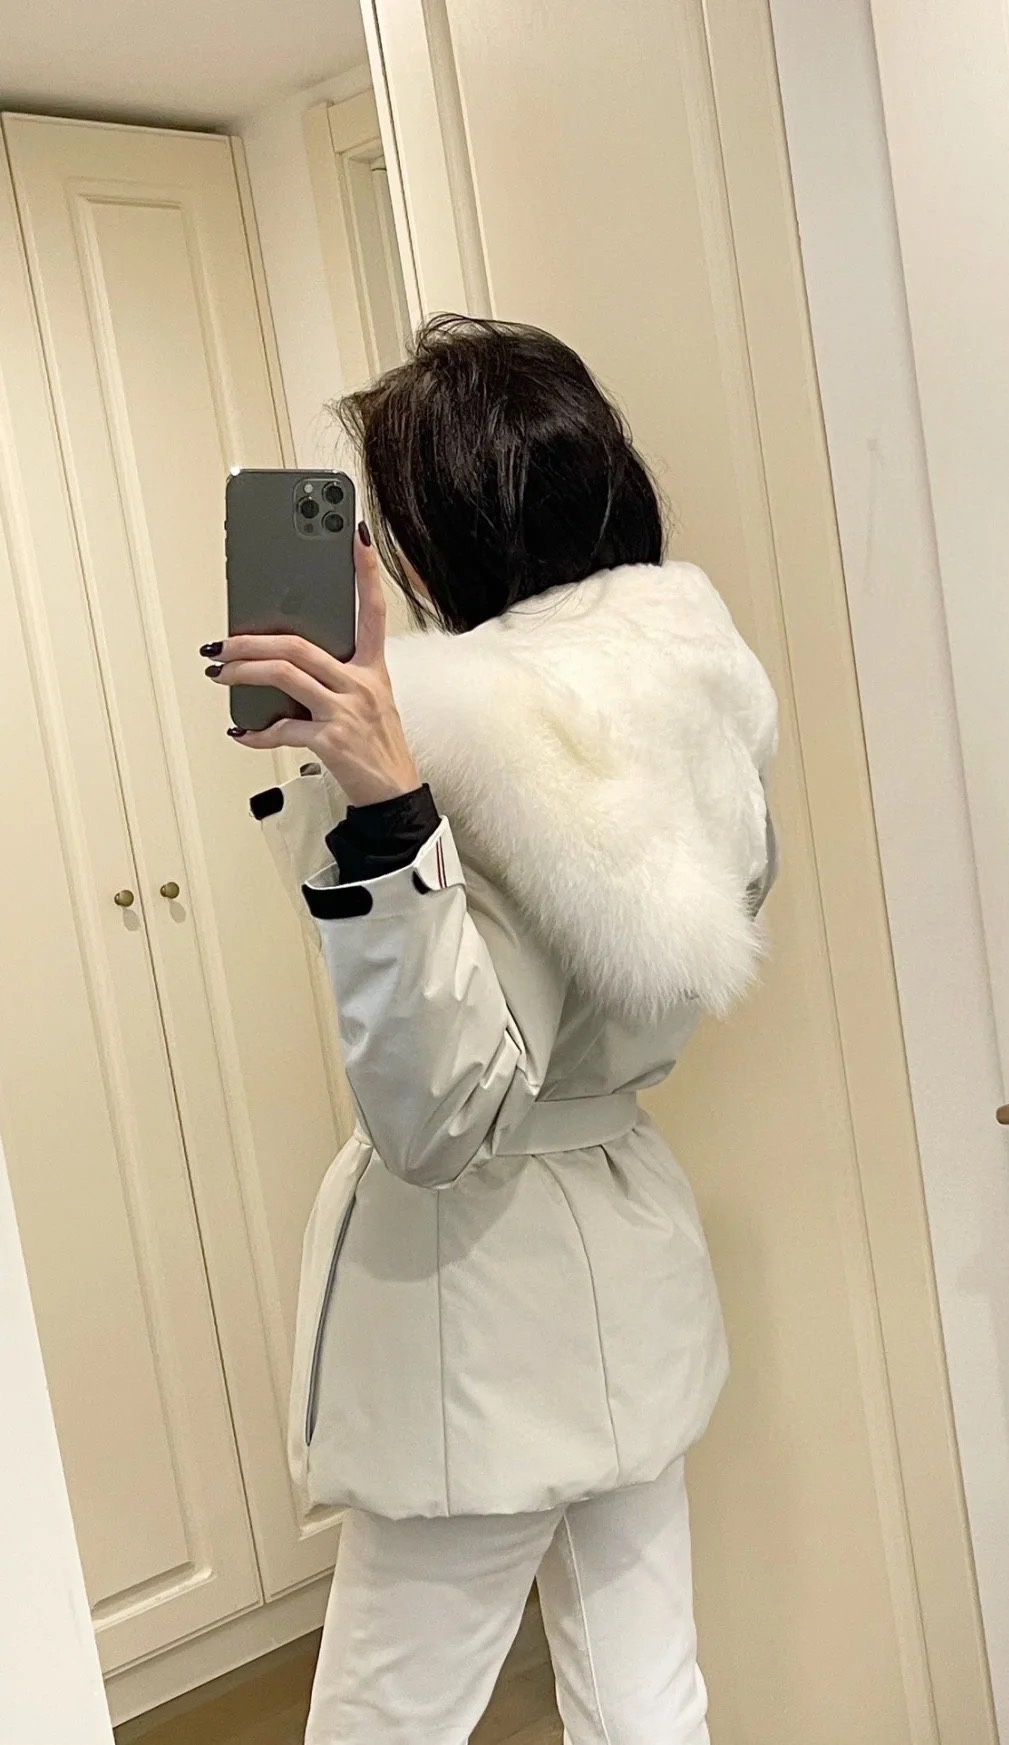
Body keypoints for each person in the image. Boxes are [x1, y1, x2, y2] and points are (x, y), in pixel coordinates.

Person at [198, 316, 779, 1744]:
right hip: (629, 1249)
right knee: (647, 1693)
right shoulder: (694, 685)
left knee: (386, 1718)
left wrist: (384, 812)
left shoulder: (474, 739)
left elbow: (445, 1112)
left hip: (476, 1294)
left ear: (445, 527)